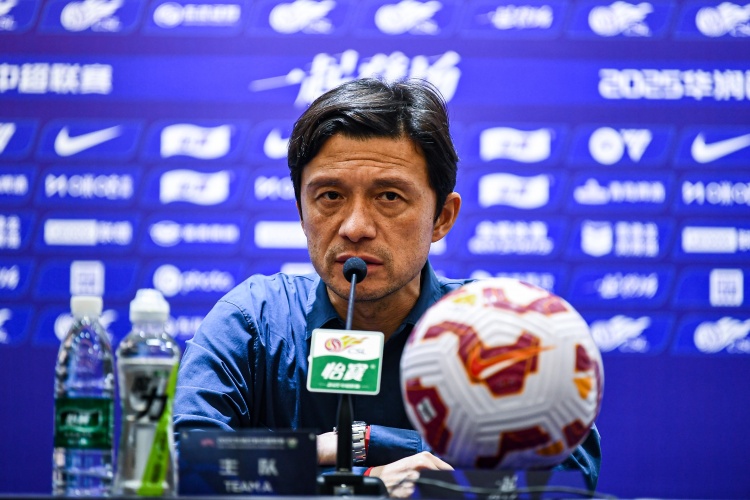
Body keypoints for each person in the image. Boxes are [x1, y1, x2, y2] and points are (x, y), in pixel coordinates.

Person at [173, 78, 601, 497]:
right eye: (330, 196)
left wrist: (359, 442)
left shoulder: (503, 326)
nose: (355, 227)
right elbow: (183, 465)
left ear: (442, 218)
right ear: (302, 212)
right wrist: (365, 480)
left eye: (389, 197)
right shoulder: (255, 320)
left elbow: (569, 477)